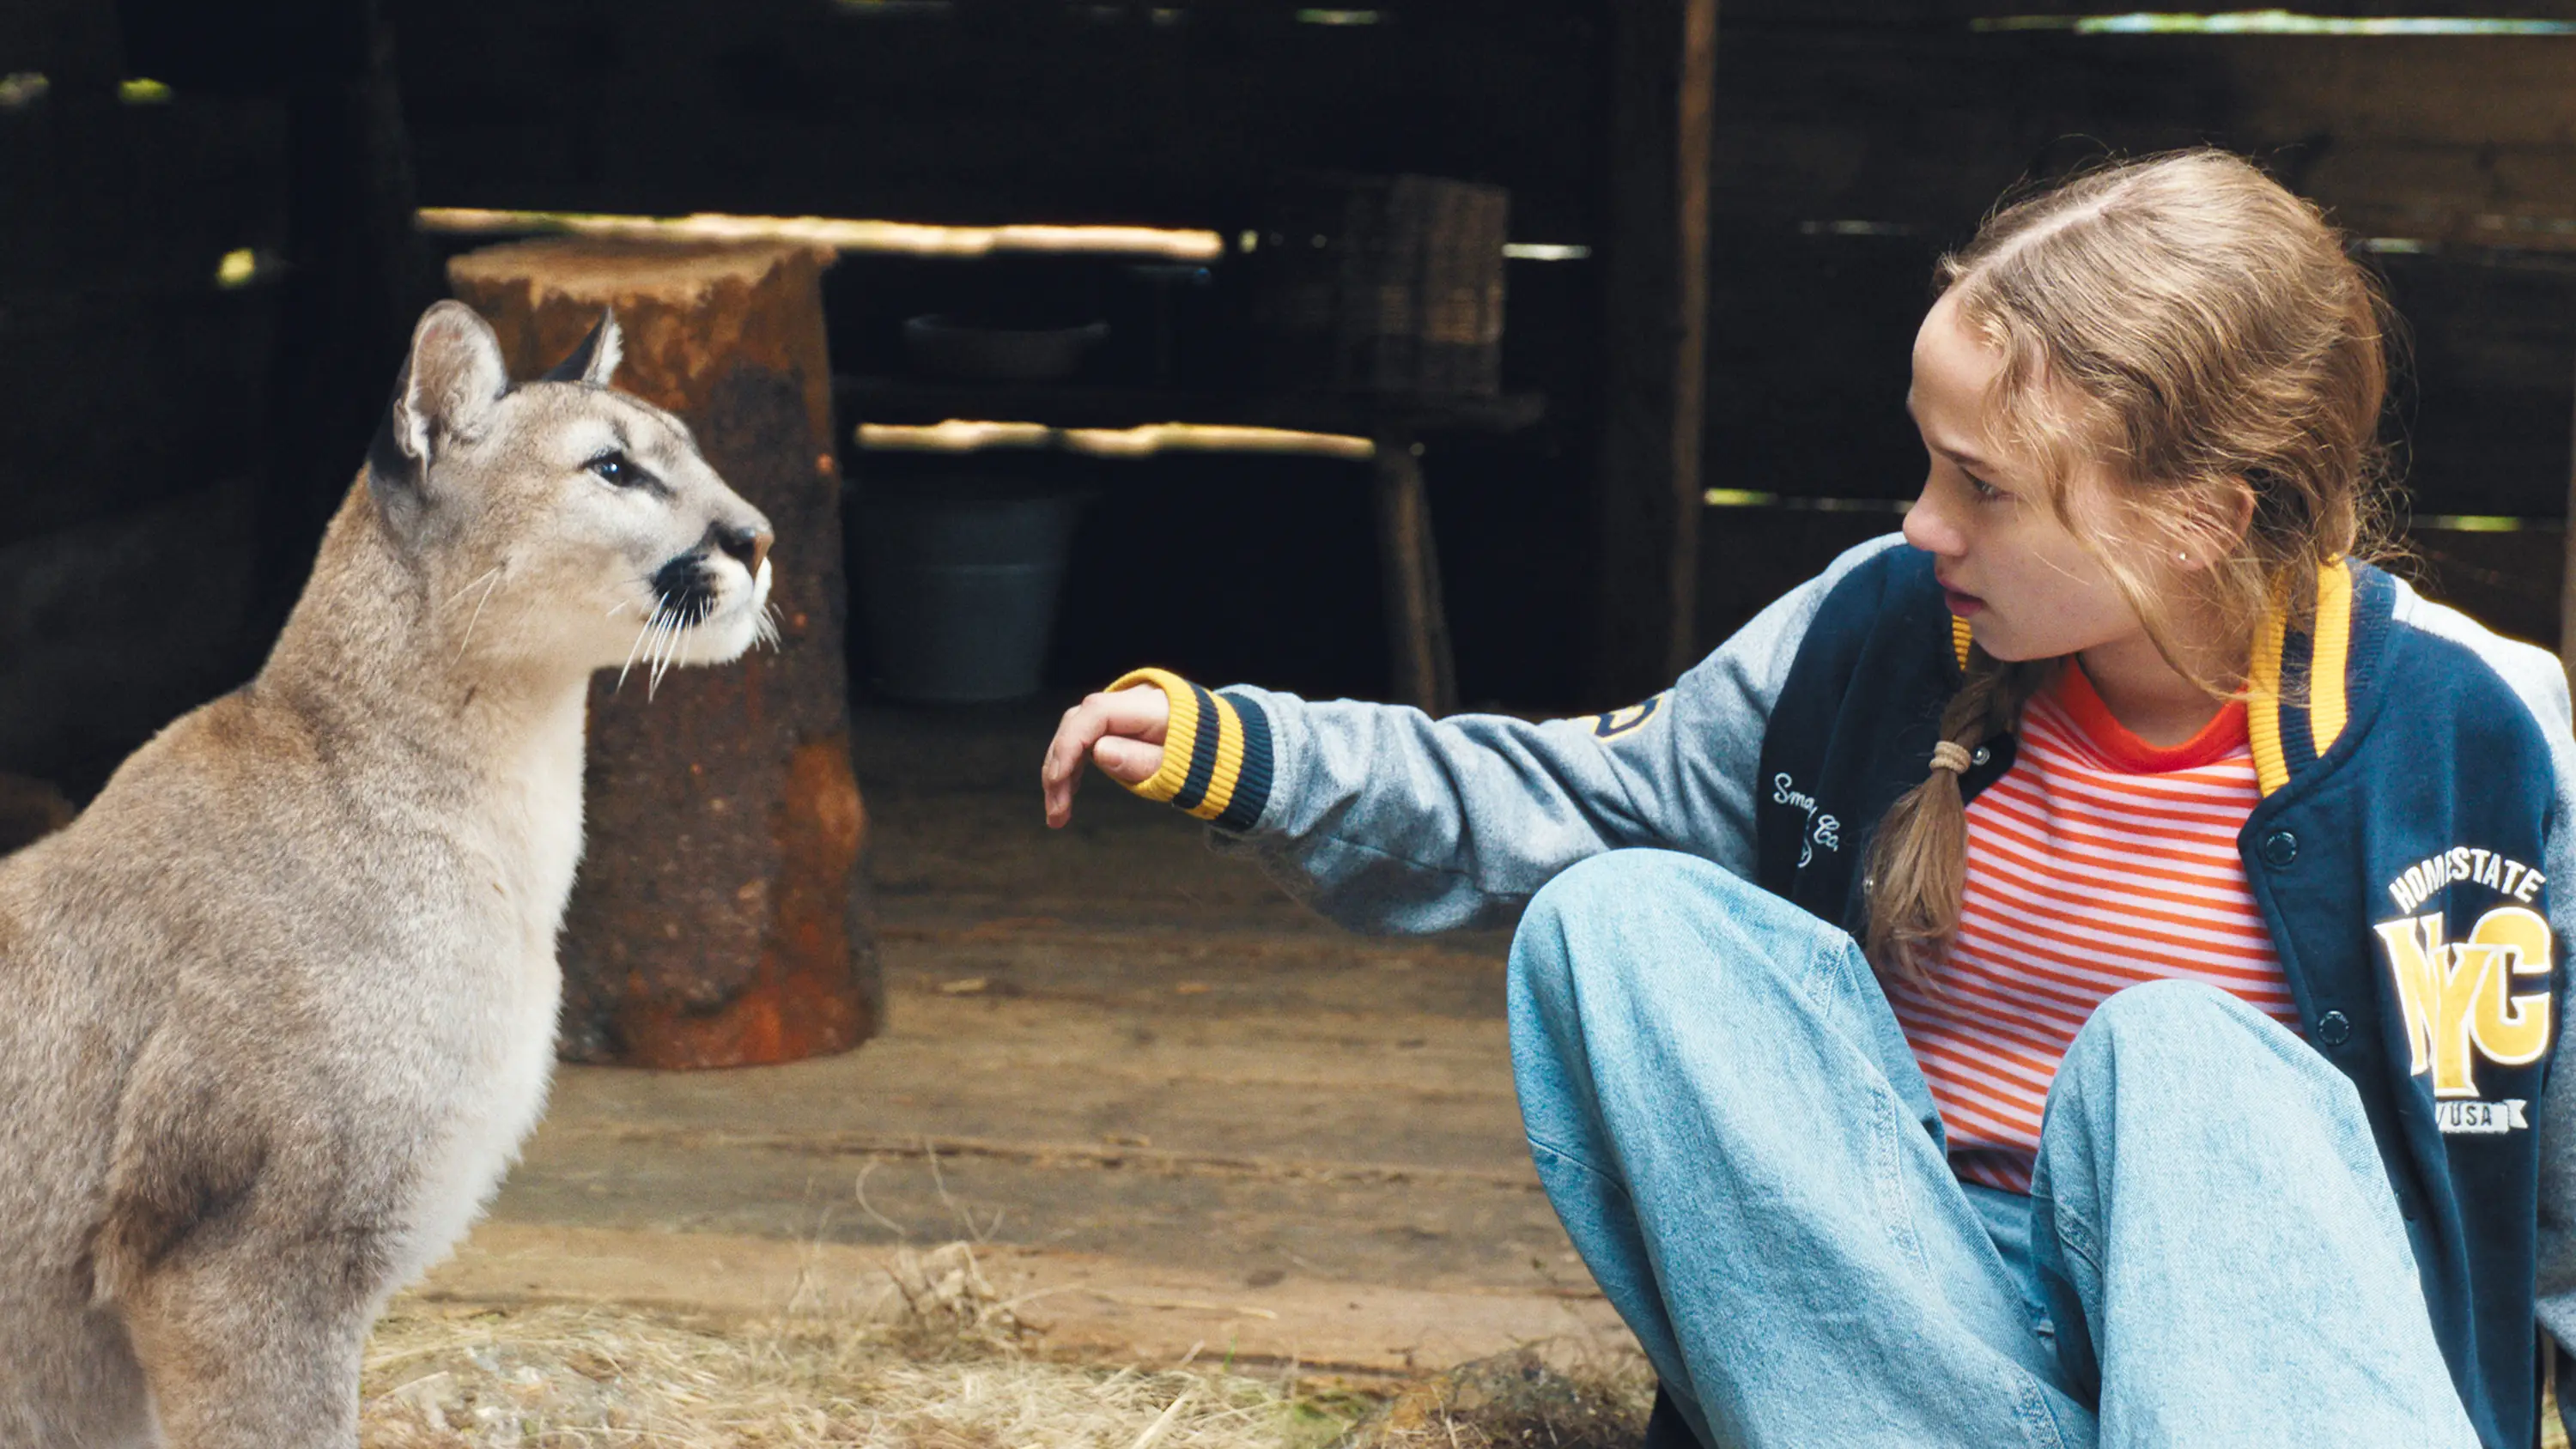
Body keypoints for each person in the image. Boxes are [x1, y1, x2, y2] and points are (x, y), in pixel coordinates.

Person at [1037, 149, 2576, 1449]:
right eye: (1929, 462)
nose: (1924, 523)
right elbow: (1579, 802)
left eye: (1982, 485)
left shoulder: (2473, 734)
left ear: (2199, 517)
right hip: (1919, 1342)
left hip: (2274, 1375)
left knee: (2176, 1055)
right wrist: (1261, 757)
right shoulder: (1883, 630)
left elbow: (2561, 1180)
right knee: (1621, 924)